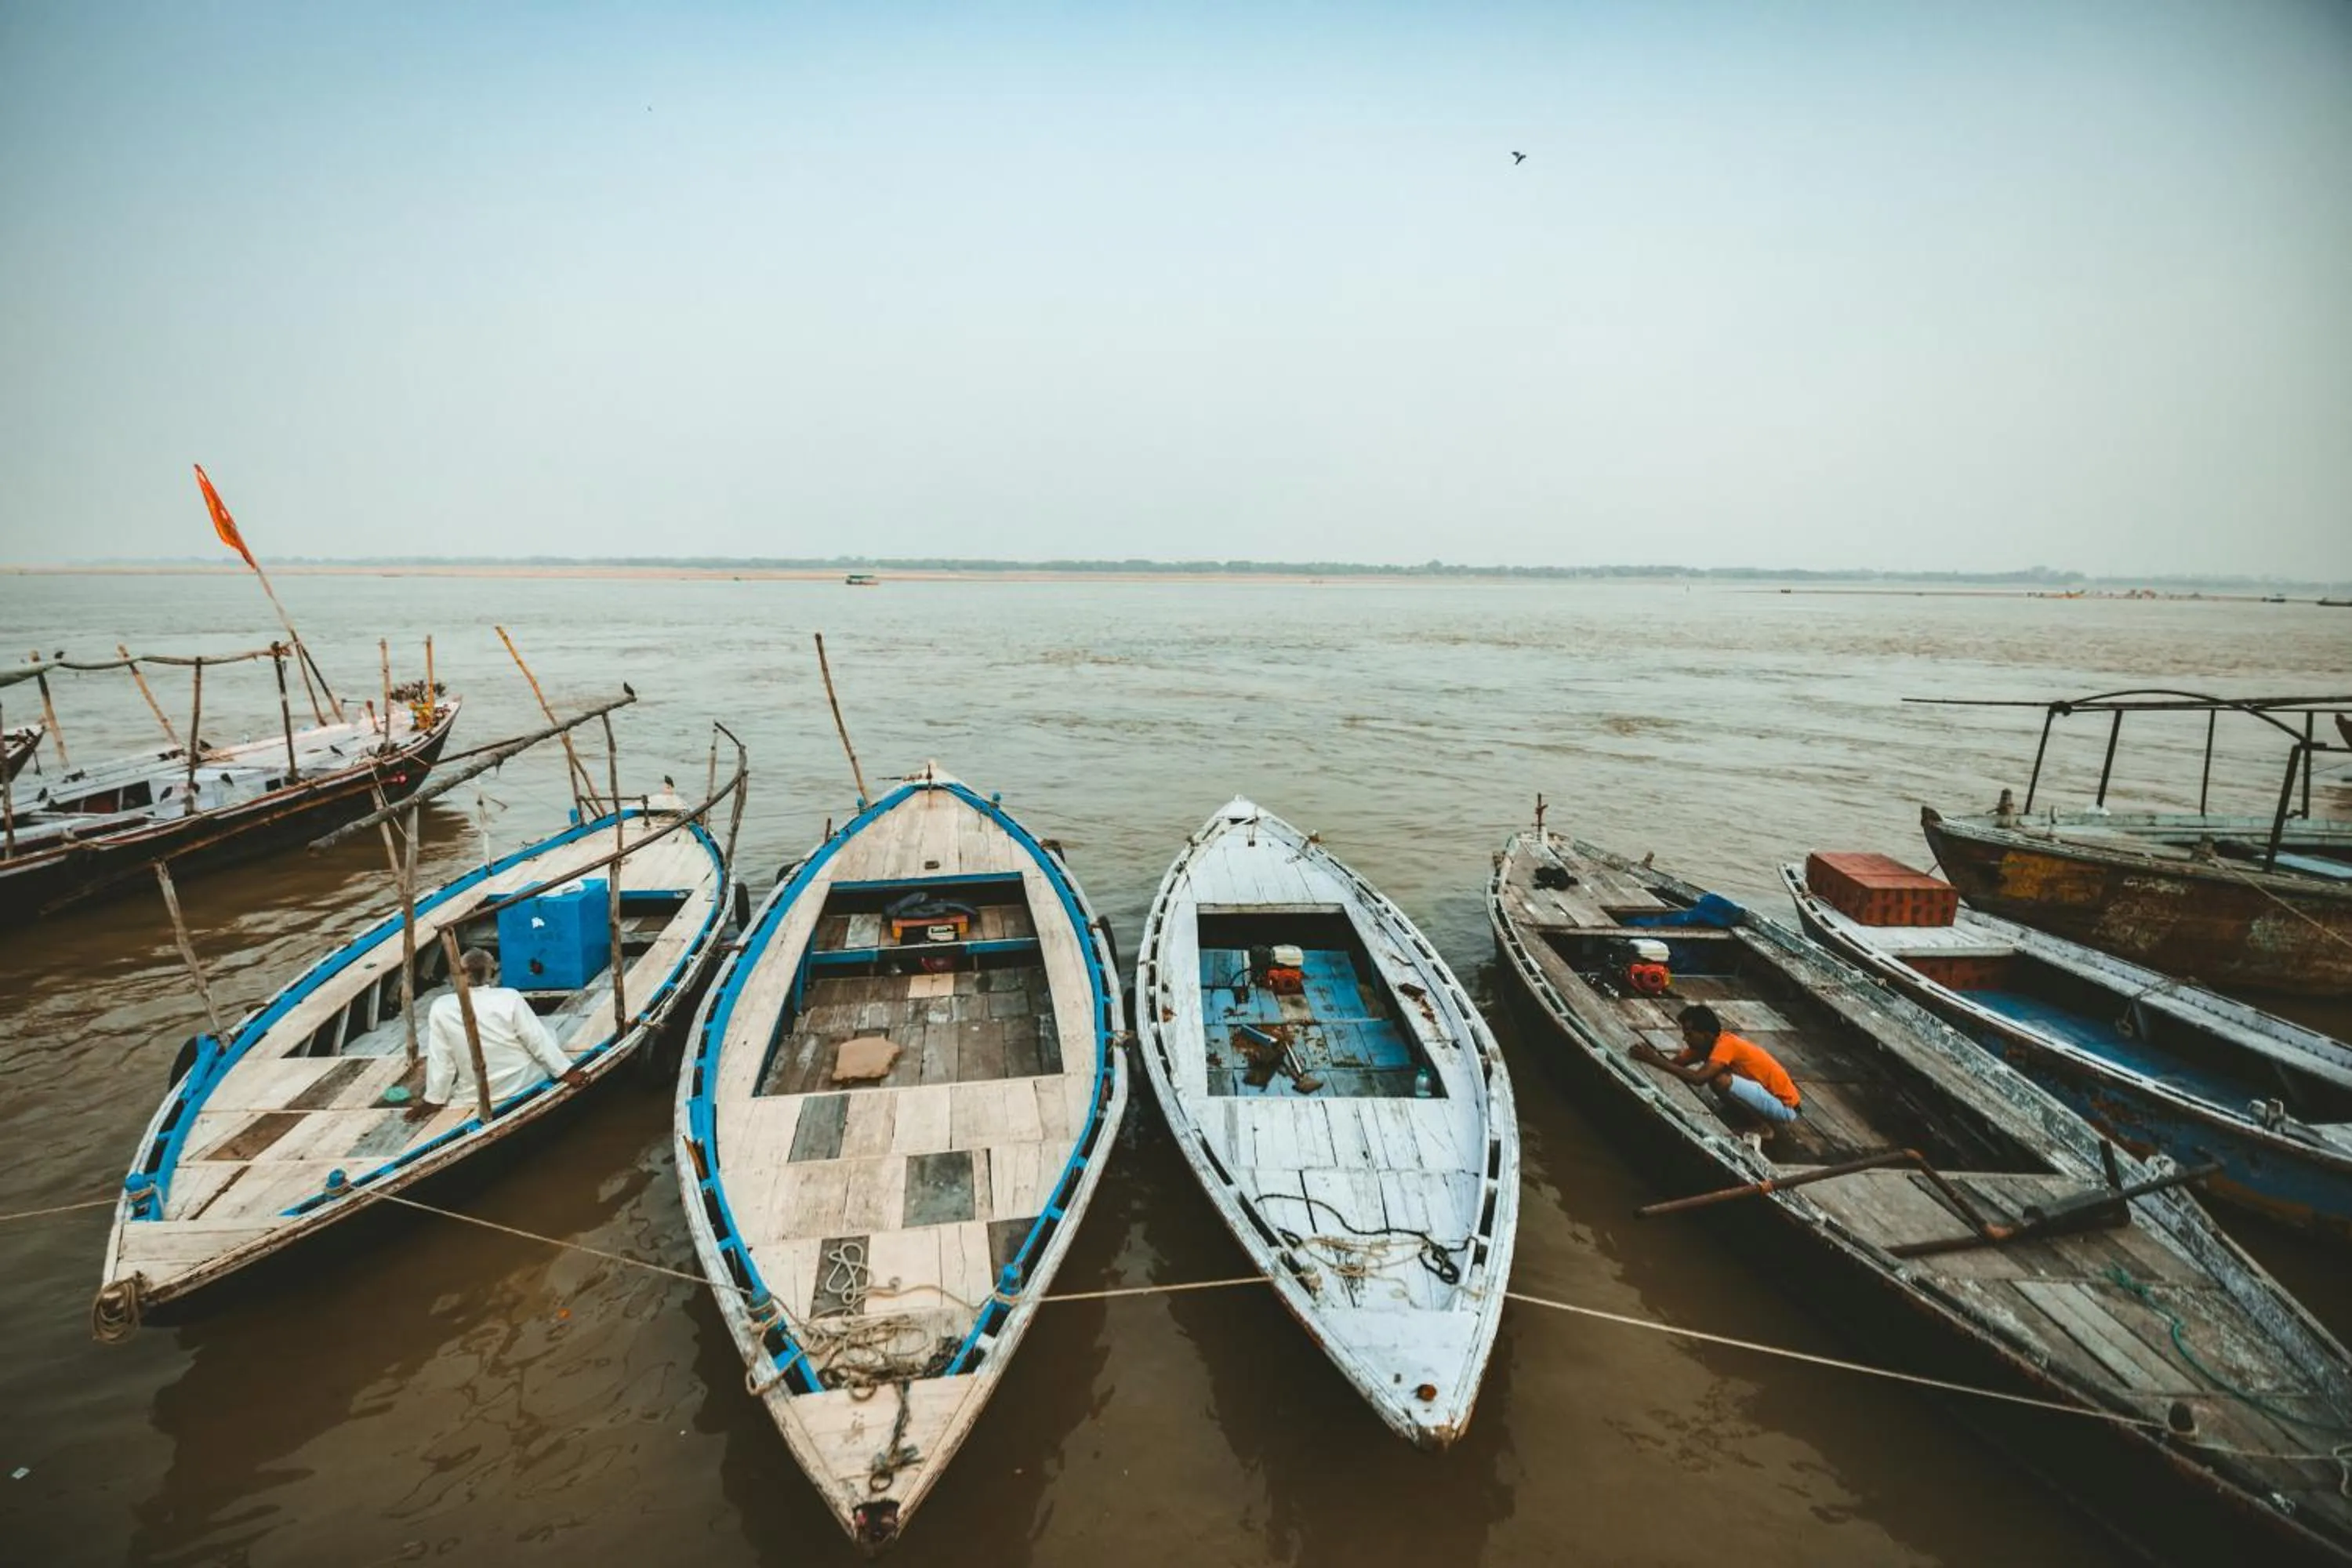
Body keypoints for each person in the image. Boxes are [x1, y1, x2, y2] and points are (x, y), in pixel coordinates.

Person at [409, 948, 586, 1118]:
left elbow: (441, 1058)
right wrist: (566, 1071)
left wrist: (434, 1099)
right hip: (523, 1082)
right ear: (491, 974)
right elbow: (536, 1040)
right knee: (548, 1033)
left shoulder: (441, 1006)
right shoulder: (509, 997)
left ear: (460, 974)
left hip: (475, 1093)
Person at [1631, 1004, 1802, 1140]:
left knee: (1720, 1080)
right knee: (1716, 1079)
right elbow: (1675, 1064)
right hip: (1764, 1095)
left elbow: (1698, 1079)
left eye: (1689, 1035)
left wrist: (1653, 1059)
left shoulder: (1726, 1045)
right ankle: (1741, 1112)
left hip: (1785, 1108)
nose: (1685, 1039)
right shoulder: (1703, 1046)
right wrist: (1652, 1057)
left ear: (1706, 1035)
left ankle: (1762, 1128)